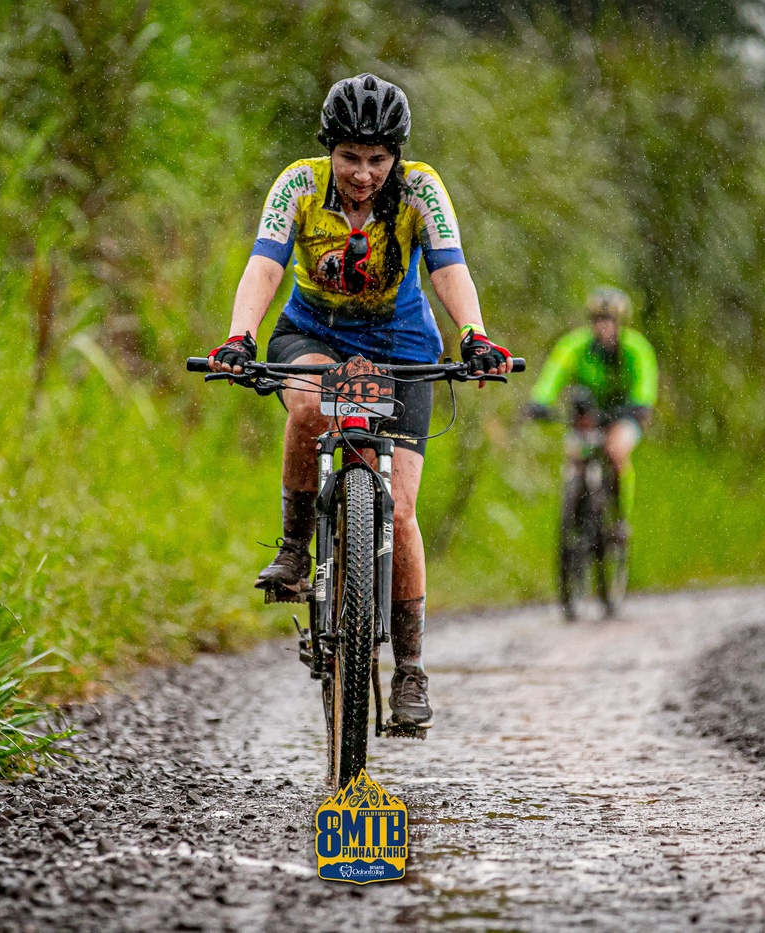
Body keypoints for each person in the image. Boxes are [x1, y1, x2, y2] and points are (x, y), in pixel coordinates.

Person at [208, 73, 513, 731]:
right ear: (330, 150)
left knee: (398, 511)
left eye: (378, 159)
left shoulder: (421, 190)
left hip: (401, 344)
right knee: (312, 407)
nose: (363, 174)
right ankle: (296, 547)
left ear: (397, 155)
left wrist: (474, 333)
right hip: (313, 334)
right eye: (350, 157)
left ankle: (410, 670)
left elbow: (448, 266)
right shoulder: (298, 185)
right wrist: (240, 336)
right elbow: (265, 263)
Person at [526, 287, 657, 537]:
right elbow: (554, 373)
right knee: (575, 456)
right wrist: (540, 402)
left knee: (616, 452)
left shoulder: (637, 349)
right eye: (598, 319)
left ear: (621, 323)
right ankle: (573, 515)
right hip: (588, 415)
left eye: (610, 320)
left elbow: (644, 391)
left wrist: (638, 407)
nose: (603, 327)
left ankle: (619, 519)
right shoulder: (576, 345)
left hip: (624, 414)